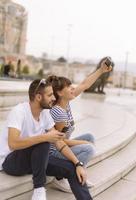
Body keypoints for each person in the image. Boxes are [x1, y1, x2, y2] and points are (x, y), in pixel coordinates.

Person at [0, 79, 93, 200]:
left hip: (36, 161)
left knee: (71, 168)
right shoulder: (19, 111)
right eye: (50, 95)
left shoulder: (45, 114)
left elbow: (59, 142)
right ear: (38, 97)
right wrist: (44, 137)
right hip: (11, 162)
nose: (54, 98)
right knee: (44, 142)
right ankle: (39, 190)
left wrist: (78, 164)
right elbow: (13, 144)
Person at [47, 57, 112, 192]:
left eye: (72, 86)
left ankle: (80, 171)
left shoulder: (65, 101)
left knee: (90, 137)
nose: (73, 89)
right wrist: (82, 144)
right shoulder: (59, 112)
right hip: (53, 153)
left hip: (62, 145)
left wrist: (101, 70)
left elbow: (84, 84)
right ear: (59, 92)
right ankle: (60, 178)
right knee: (89, 148)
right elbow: (60, 141)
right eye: (69, 87)